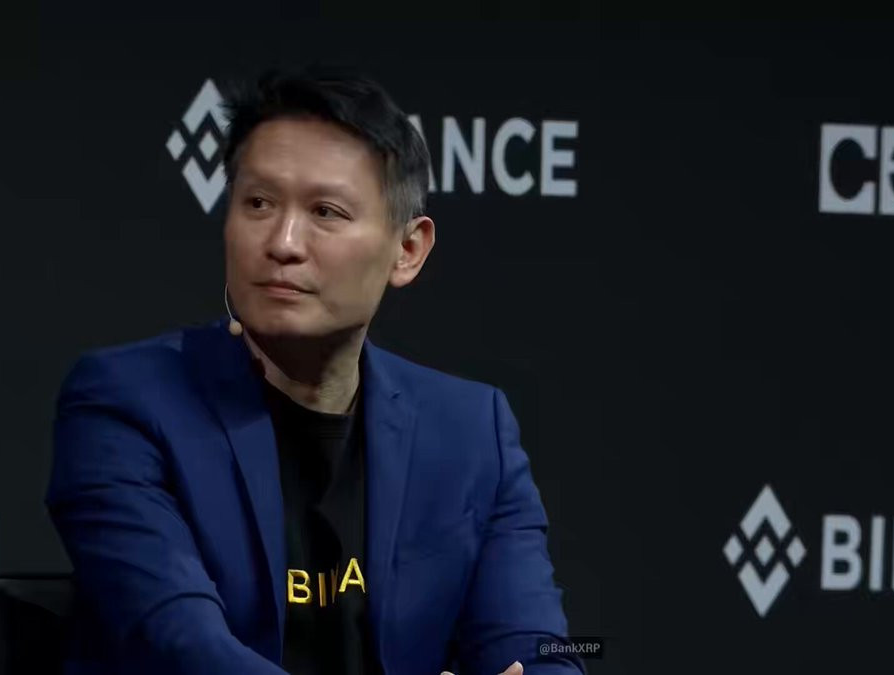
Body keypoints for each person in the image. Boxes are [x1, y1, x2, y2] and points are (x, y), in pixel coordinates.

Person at [46, 66, 585, 675]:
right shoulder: (126, 404)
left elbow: (542, 649)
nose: (283, 241)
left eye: (326, 212)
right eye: (258, 203)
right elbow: (184, 648)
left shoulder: (470, 431)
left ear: (407, 250)